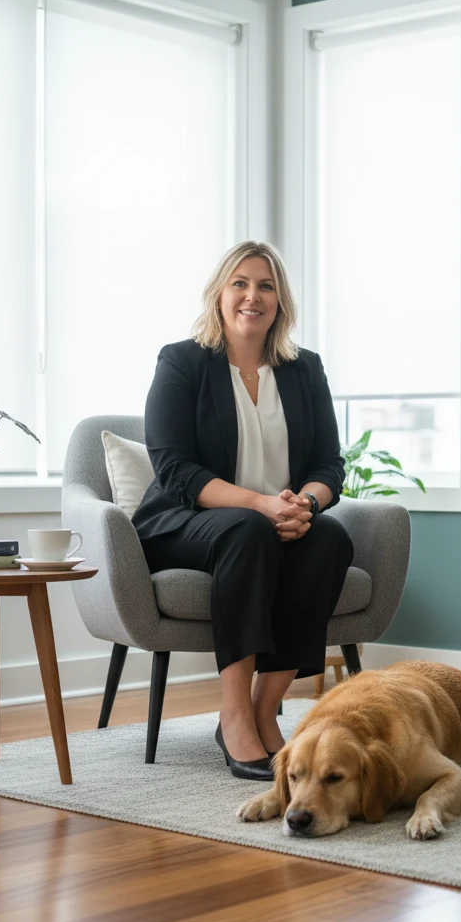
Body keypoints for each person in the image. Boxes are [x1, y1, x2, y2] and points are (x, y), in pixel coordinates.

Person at [133, 241, 353, 782]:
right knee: (249, 530)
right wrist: (259, 503)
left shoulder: (305, 370)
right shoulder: (182, 362)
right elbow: (174, 470)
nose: (252, 296)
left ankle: (263, 708)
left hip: (270, 521)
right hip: (184, 522)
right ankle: (232, 716)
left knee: (328, 540)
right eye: (240, 283)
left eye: (266, 285)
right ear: (219, 294)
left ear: (280, 302)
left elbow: (329, 463)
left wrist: (305, 504)